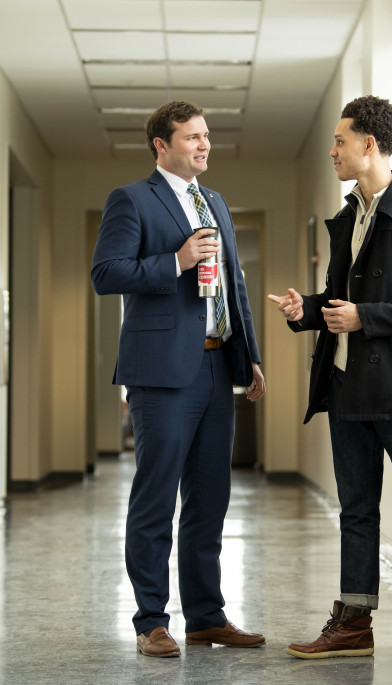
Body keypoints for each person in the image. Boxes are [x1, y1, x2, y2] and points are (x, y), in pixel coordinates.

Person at [268, 95, 392, 662]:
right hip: (348, 386)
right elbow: (343, 299)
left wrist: (365, 318)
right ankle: (353, 623)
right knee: (356, 509)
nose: (332, 150)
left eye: (339, 140)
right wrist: (306, 309)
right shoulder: (349, 216)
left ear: (369, 145)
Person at [92, 101, 266, 658]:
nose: (204, 144)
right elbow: (105, 273)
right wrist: (175, 260)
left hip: (217, 368)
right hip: (161, 374)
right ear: (161, 145)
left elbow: (233, 290)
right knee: (156, 496)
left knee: (210, 498)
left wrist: (250, 359)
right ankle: (150, 622)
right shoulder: (132, 199)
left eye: (206, 136)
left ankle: (206, 618)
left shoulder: (214, 203)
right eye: (192, 137)